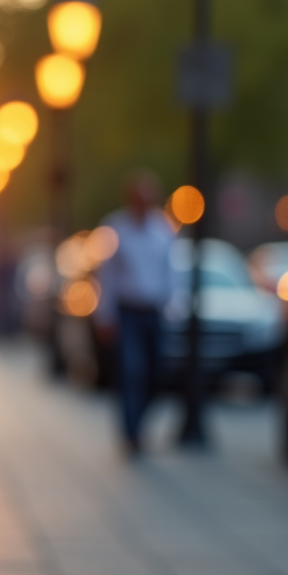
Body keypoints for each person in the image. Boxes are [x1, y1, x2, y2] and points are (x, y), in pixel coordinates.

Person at [94, 169, 175, 455]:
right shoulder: (115, 229)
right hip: (127, 311)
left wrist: (172, 306)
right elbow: (107, 277)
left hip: (153, 311)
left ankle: (137, 423)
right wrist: (105, 316)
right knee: (131, 371)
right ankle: (130, 433)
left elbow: (169, 271)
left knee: (155, 373)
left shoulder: (164, 229)